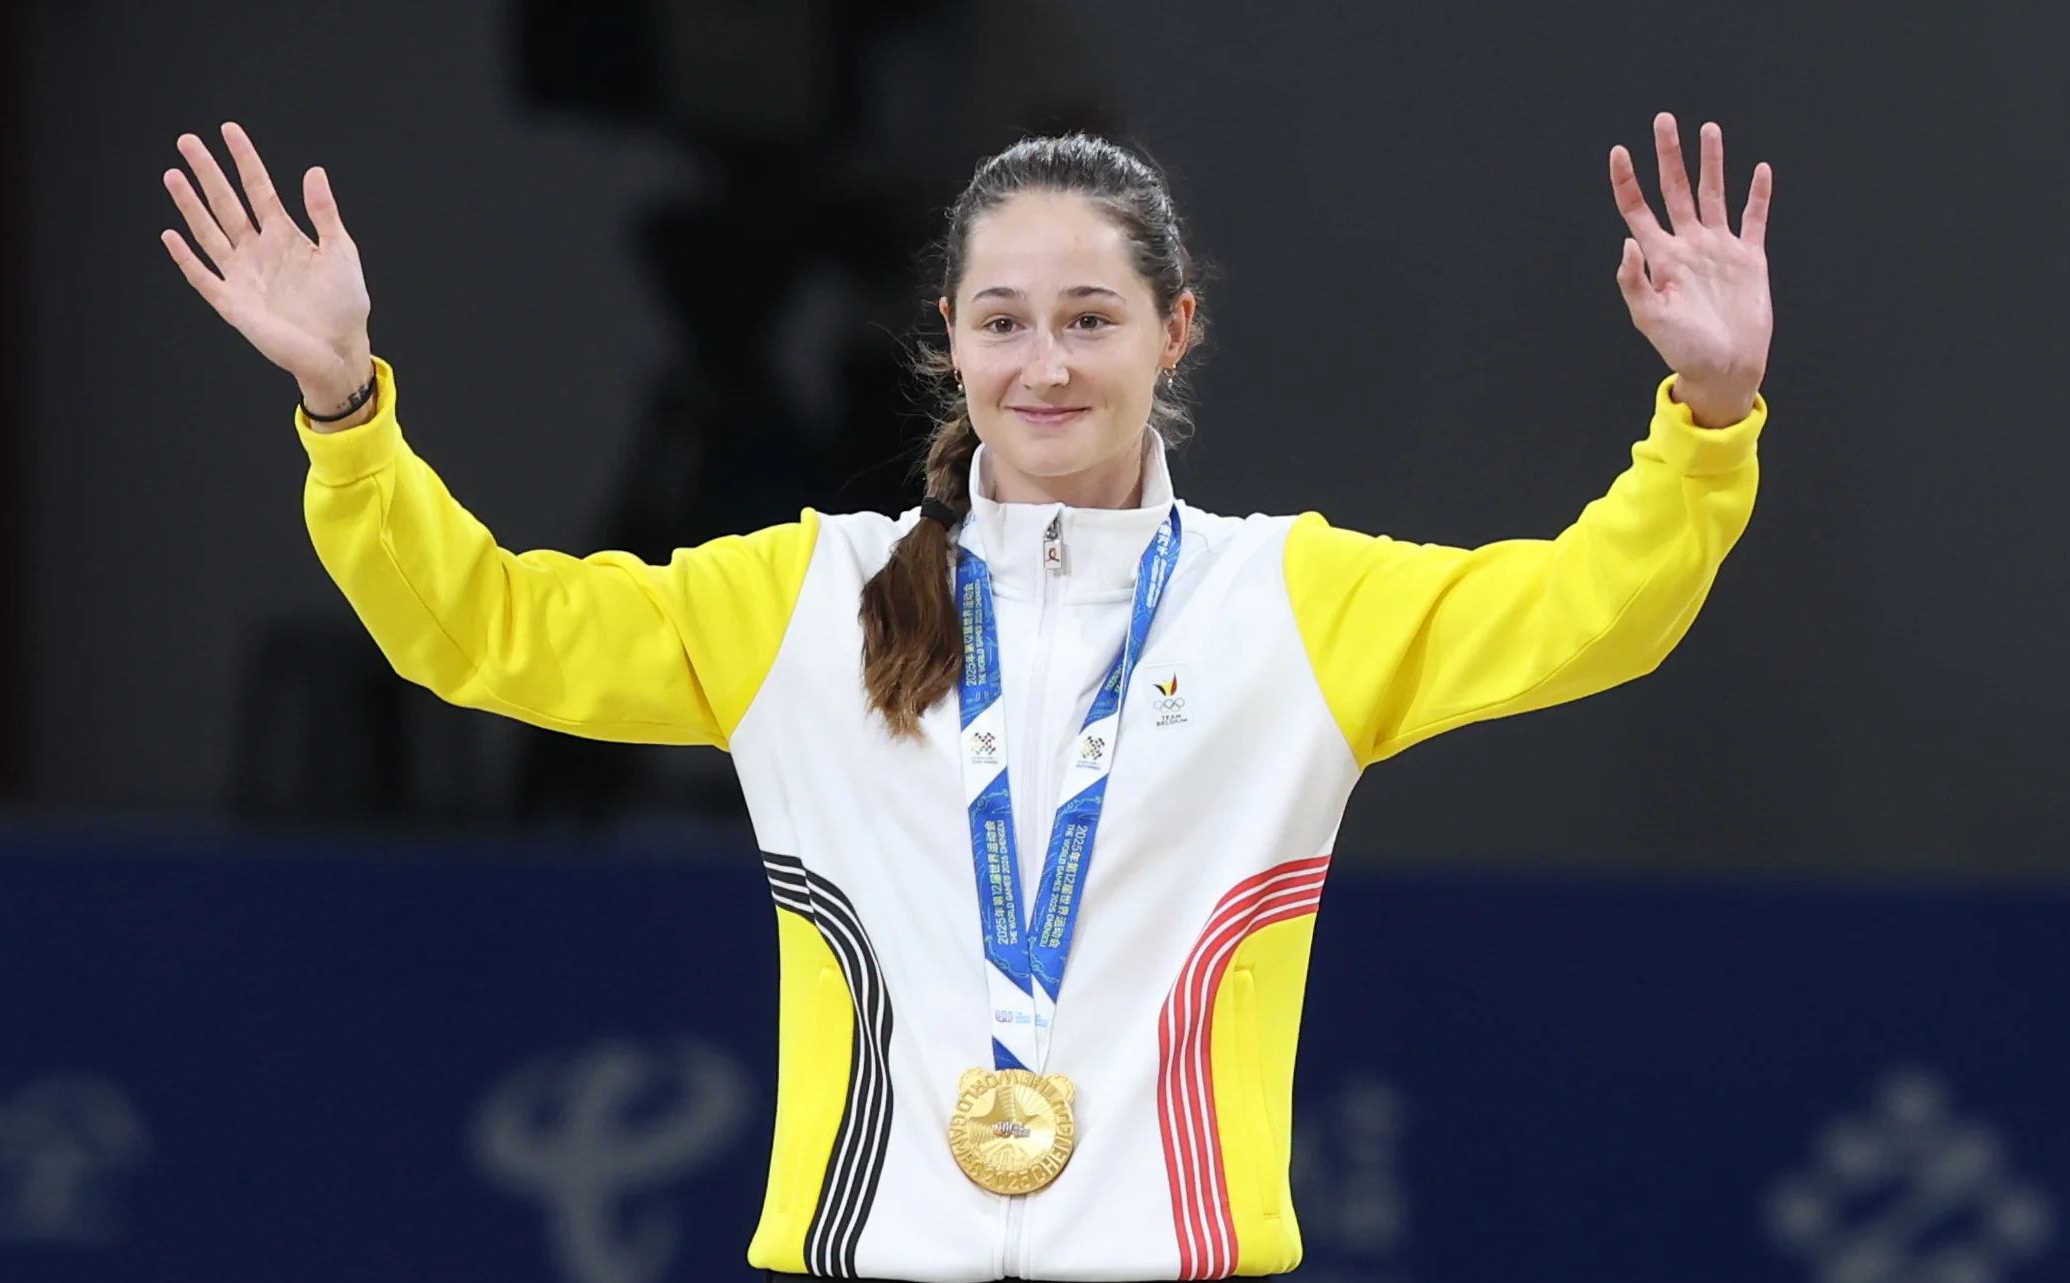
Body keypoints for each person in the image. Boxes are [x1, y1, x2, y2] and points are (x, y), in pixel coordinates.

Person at [162, 116, 1771, 1282]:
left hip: (1181, 1264)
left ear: (1175, 329)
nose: (1046, 364)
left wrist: (1709, 412)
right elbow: (486, 631)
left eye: (1091, 319)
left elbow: (1590, 613)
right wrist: (345, 406)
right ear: (948, 338)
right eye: (1003, 322)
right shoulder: (805, 600)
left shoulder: (1299, 602)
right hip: (863, 1257)